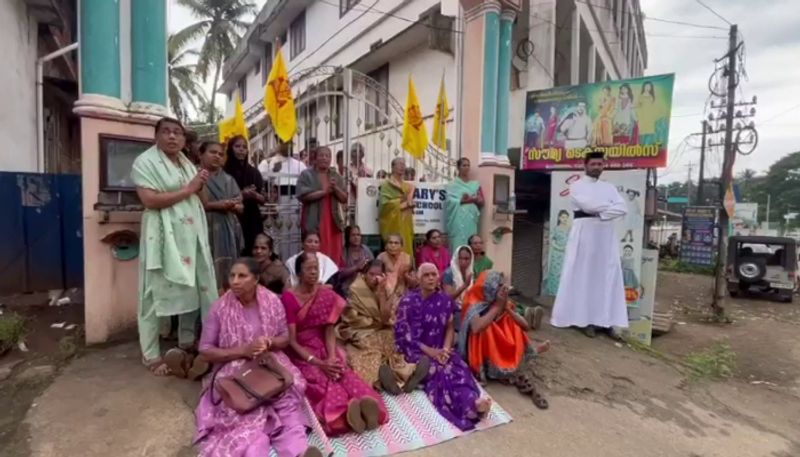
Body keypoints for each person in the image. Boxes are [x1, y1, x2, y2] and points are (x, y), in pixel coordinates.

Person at [194, 258, 323, 457]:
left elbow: (285, 338)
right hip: (235, 368)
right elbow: (205, 350)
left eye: (242, 276)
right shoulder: (219, 308)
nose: (235, 281)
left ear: (256, 279)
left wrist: (269, 342)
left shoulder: (271, 300)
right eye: (232, 276)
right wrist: (243, 351)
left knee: (287, 407)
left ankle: (298, 452)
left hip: (268, 362)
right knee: (247, 421)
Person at [131, 117, 218, 376]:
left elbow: (201, 198)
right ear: (156, 135)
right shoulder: (144, 162)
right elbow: (149, 200)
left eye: (177, 133)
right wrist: (189, 188)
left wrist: (201, 181)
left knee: (197, 285)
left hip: (191, 234)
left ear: (183, 139)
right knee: (151, 291)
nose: (172, 137)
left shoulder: (186, 163)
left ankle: (186, 343)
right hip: (162, 235)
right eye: (166, 132)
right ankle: (151, 354)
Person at [282, 252, 389, 436]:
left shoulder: (325, 293)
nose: (314, 272)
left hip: (324, 346)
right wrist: (318, 362)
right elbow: (291, 340)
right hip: (302, 353)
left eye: (316, 268)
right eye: (309, 269)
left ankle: (365, 408)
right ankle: (345, 413)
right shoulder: (289, 298)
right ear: (299, 273)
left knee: (343, 374)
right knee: (319, 381)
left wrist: (331, 357)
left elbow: (329, 329)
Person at [395, 263, 492, 431]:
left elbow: (448, 327)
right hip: (417, 349)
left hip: (440, 348)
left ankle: (475, 402)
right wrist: (432, 352)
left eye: (434, 274)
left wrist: (446, 350)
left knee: (459, 368)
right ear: (418, 278)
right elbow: (405, 335)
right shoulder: (408, 301)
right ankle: (467, 407)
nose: (431, 278)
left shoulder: (445, 300)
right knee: (440, 372)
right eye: (426, 275)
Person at [551, 150, 628, 338]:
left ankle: (606, 320)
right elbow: (588, 207)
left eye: (600, 164)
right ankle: (584, 320)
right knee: (584, 275)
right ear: (585, 166)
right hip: (584, 233)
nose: (597, 167)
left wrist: (602, 213)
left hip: (605, 235)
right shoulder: (576, 186)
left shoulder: (609, 188)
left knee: (605, 276)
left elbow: (622, 207)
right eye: (593, 164)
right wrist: (607, 209)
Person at [458, 271, 550, 409]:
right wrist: (496, 307)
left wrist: (506, 308)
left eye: (503, 285)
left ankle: (516, 359)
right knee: (486, 329)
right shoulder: (473, 300)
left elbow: (525, 327)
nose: (503, 288)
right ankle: (497, 368)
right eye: (499, 285)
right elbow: (476, 327)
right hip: (483, 344)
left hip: (499, 340)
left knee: (513, 324)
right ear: (489, 286)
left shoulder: (500, 300)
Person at [336, 259, 428, 394]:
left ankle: (400, 377)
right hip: (360, 330)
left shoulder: (385, 288)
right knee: (369, 349)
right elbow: (352, 317)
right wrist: (378, 321)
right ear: (364, 274)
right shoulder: (356, 289)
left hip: (381, 328)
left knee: (390, 341)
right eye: (371, 274)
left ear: (384, 275)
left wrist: (381, 294)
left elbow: (386, 318)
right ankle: (383, 379)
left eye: (378, 275)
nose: (374, 278)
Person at [200, 141, 244, 291]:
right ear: (201, 154)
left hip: (227, 229)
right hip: (203, 226)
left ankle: (226, 303)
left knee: (227, 269)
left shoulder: (228, 179)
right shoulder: (194, 176)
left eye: (220, 154)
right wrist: (218, 205)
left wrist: (233, 206)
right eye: (213, 152)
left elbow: (241, 206)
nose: (217, 156)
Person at [297, 146, 347, 264]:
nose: (324, 158)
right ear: (315, 157)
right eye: (321, 155)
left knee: (334, 251)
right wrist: (324, 192)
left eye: (327, 156)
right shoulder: (306, 174)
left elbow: (344, 198)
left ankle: (333, 275)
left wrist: (335, 188)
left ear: (330, 159)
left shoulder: (336, 176)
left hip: (333, 221)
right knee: (316, 249)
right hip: (314, 219)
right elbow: (303, 196)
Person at [224, 135, 265, 255]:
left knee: (254, 250)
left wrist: (255, 195)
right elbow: (222, 196)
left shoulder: (253, 172)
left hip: (252, 217)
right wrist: (242, 194)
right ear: (231, 149)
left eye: (244, 147)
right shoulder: (224, 171)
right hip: (232, 216)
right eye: (237, 146)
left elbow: (263, 199)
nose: (241, 149)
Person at [445, 158, 484, 251]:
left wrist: (475, 199)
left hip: (471, 219)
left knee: (471, 243)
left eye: (468, 165)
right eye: (464, 165)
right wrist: (469, 200)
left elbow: (482, 202)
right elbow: (450, 202)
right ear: (458, 167)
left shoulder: (475, 184)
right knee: (458, 247)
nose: (466, 167)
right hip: (458, 219)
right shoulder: (452, 185)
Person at [379, 158, 415, 257]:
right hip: (393, 223)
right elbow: (384, 205)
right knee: (394, 246)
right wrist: (401, 202)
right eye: (399, 164)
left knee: (406, 248)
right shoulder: (387, 185)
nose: (402, 166)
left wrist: (408, 203)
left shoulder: (408, 186)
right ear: (393, 167)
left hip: (405, 222)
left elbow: (410, 203)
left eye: (404, 164)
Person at [376, 233, 416, 310]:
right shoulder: (381, 257)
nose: (393, 245)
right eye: (390, 242)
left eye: (396, 243)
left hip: (403, 294)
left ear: (401, 246)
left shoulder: (407, 258)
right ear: (386, 245)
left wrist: (405, 276)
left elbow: (414, 281)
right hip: (385, 295)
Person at [338, 225, 375, 294]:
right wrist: (356, 267)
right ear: (348, 237)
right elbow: (340, 274)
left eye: (358, 235)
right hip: (347, 289)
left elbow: (374, 268)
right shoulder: (343, 252)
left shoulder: (366, 250)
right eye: (353, 235)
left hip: (366, 288)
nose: (356, 237)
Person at [544, 210, 571, 296]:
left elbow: (572, 240)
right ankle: (554, 292)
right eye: (563, 217)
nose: (565, 219)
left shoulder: (570, 229)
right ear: (559, 218)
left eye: (566, 217)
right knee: (555, 273)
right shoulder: (556, 229)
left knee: (566, 272)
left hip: (567, 253)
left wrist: (567, 248)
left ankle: (565, 293)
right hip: (557, 254)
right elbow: (551, 240)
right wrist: (559, 247)